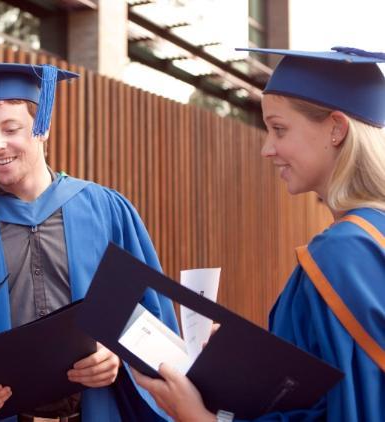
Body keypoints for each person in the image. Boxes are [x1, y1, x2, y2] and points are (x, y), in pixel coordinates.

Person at [0, 62, 179, 422]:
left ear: (43, 129)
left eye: (12, 129)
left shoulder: (106, 212)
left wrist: (116, 354)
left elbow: (153, 320)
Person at [133, 47, 385, 421]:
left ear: (336, 128)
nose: (267, 149)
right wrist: (242, 363)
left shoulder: (342, 253)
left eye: (279, 129)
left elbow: (352, 411)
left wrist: (198, 418)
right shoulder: (371, 237)